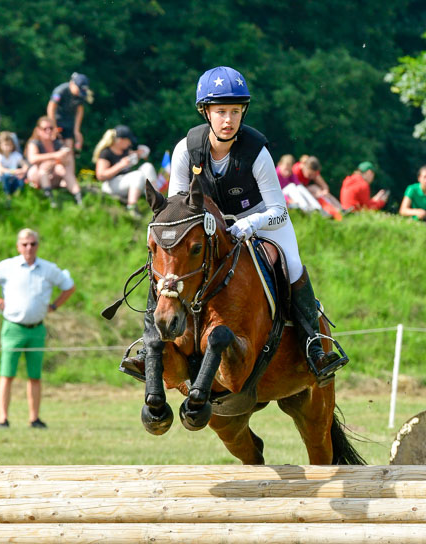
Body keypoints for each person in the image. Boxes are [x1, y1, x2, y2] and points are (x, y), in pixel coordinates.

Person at [120, 66, 347, 385]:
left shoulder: (257, 153)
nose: (228, 120)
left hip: (260, 218)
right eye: (221, 111)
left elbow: (279, 211)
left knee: (291, 265)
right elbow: (174, 208)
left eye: (235, 112)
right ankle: (148, 348)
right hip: (205, 222)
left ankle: (314, 346)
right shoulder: (187, 148)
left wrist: (250, 223)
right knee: (165, 269)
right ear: (206, 113)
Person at [0, 228, 75, 428]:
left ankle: (34, 418)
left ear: (37, 245)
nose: (29, 247)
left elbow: (68, 286)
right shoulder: (8, 266)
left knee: (35, 375)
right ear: (18, 246)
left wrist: (54, 306)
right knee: (7, 374)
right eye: (25, 244)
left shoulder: (48, 268)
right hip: (13, 327)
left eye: (33, 244)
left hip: (37, 328)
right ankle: (3, 418)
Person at [93, 125, 157, 217]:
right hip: (110, 185)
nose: (130, 144)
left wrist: (141, 153)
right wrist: (120, 165)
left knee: (148, 167)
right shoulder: (106, 153)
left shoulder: (125, 150)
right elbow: (101, 175)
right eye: (128, 141)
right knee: (137, 175)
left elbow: (134, 156)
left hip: (125, 183)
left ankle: (158, 201)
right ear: (120, 140)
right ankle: (132, 208)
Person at [25, 116, 82, 206]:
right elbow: (33, 159)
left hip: (54, 174)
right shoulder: (34, 143)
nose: (48, 131)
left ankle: (78, 196)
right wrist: (54, 156)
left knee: (62, 168)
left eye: (51, 128)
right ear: (38, 130)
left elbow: (66, 158)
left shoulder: (57, 142)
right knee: (43, 169)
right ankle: (49, 197)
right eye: (45, 129)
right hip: (38, 176)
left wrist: (53, 161)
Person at [47, 72, 94, 176]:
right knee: (56, 147)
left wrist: (77, 130)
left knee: (69, 149)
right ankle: (53, 175)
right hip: (56, 121)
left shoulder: (81, 94)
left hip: (69, 123)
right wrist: (53, 127)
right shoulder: (60, 91)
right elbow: (51, 108)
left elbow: (80, 111)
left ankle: (69, 176)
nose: (79, 93)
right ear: (72, 84)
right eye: (78, 89)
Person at [293, 155, 343, 220]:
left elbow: (324, 186)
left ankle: (340, 209)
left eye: (313, 175)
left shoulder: (313, 170)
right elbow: (296, 191)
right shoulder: (296, 171)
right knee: (315, 189)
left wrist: (325, 191)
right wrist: (316, 195)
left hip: (306, 190)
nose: (311, 177)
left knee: (319, 191)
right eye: (310, 174)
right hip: (297, 193)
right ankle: (330, 211)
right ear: (305, 167)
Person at [0, 132, 27, 197]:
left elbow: (25, 165)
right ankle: (7, 195)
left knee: (21, 179)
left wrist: (23, 171)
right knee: (6, 177)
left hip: (14, 177)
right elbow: (1, 169)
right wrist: (14, 171)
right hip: (1, 178)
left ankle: (17, 193)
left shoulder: (16, 155)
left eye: (10, 145)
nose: (8, 147)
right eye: (6, 145)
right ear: (0, 145)